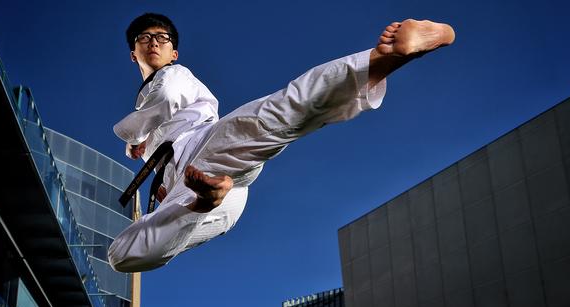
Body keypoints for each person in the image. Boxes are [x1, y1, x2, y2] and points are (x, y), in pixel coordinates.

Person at [108, 13, 455, 272]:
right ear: (132, 54)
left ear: (174, 54)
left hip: (206, 150)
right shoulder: (147, 119)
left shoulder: (173, 77)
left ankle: (388, 57)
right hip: (204, 198)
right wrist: (168, 189)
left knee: (280, 113)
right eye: (144, 37)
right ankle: (205, 201)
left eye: (162, 37)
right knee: (120, 256)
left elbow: (166, 96)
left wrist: (132, 136)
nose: (153, 41)